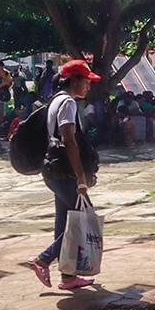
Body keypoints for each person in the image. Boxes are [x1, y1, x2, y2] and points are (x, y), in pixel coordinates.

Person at [27, 59, 102, 291]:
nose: (88, 85)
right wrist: (80, 177)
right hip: (66, 171)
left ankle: (68, 277)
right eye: (86, 80)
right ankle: (42, 260)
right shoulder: (68, 103)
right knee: (82, 221)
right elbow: (68, 139)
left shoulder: (55, 100)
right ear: (74, 80)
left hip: (54, 170)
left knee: (65, 223)